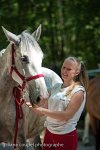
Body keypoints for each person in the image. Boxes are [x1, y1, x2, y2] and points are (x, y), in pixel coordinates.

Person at [26, 56, 88, 150]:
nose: (64, 71)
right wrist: (29, 103)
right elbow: (41, 111)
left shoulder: (78, 91)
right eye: (63, 67)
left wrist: (41, 109)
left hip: (66, 136)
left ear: (77, 72)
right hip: (49, 133)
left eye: (69, 69)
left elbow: (66, 116)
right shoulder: (55, 87)